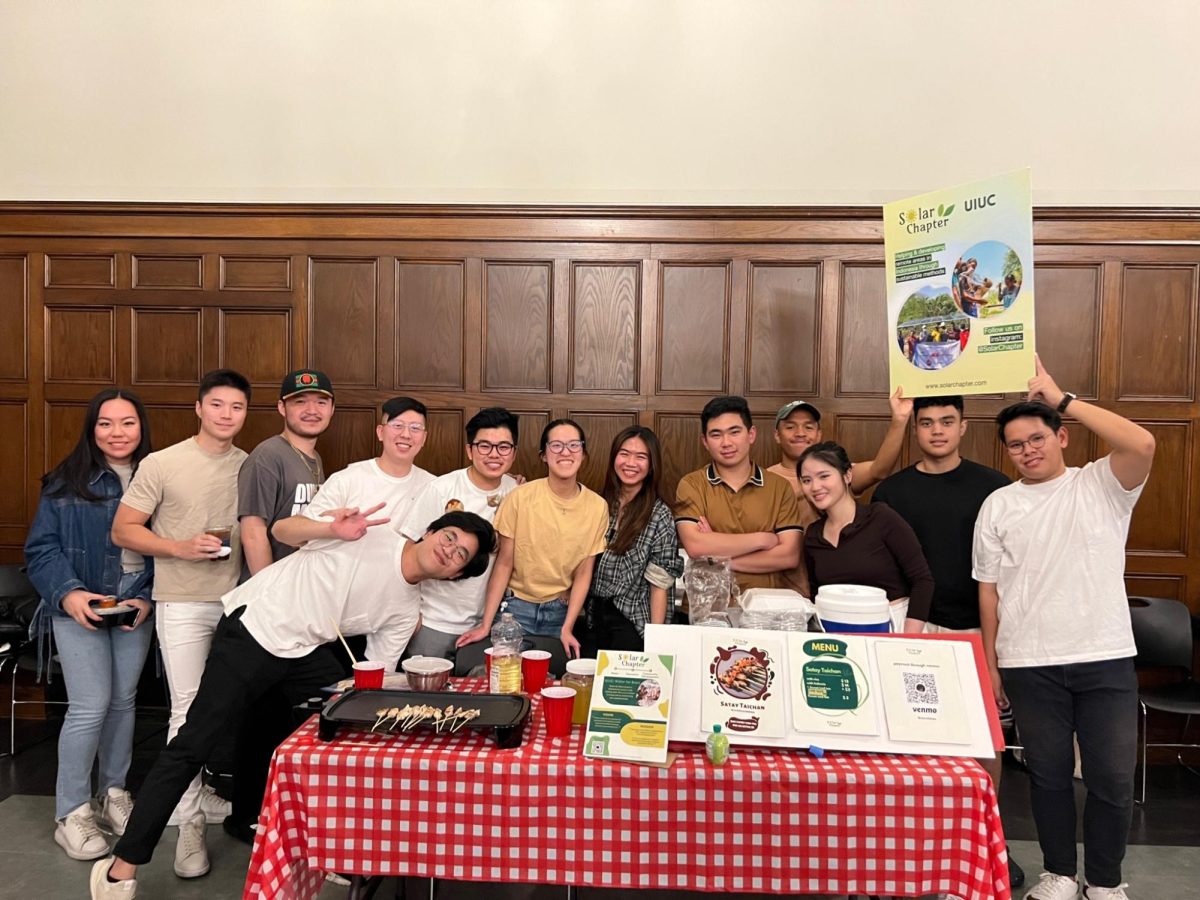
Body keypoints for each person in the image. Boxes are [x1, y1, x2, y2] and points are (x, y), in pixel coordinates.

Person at [89, 511, 496, 900]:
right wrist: (330, 528)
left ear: (454, 575)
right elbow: (283, 531)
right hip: (256, 627)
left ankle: (337, 851)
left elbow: (368, 679)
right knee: (194, 743)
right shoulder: (368, 534)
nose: (449, 550)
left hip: (304, 652)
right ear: (430, 532)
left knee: (349, 730)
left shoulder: (406, 612)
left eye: (460, 555)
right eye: (449, 537)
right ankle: (122, 866)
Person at [974, 357, 1155, 900]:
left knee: (1112, 781)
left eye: (1037, 438)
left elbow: (1142, 444)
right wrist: (992, 663)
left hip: (1104, 655)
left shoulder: (1102, 484)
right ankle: (1058, 873)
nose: (1027, 450)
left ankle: (1103, 881)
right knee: (1048, 777)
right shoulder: (998, 505)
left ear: (1062, 437)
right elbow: (990, 590)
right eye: (1015, 444)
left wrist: (1060, 396)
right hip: (1029, 661)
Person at [870, 395, 1025, 889]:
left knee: (985, 742)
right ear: (915, 428)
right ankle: (922, 847)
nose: (937, 431)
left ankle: (989, 842)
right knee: (915, 742)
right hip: (917, 627)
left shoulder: (995, 487)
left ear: (963, 427)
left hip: (982, 628)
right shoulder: (892, 491)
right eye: (927, 422)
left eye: (947, 422)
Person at [110, 369, 249, 878]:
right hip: (182, 602)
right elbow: (123, 529)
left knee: (232, 712)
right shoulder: (162, 463)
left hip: (239, 604)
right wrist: (178, 547)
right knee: (186, 713)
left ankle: (208, 797)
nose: (226, 415)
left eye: (236, 407)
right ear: (198, 407)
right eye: (217, 405)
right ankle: (187, 823)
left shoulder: (251, 465)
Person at [24, 389, 155, 861]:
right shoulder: (66, 481)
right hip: (78, 604)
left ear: (141, 428)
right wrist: (70, 592)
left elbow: (167, 545)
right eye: (106, 423)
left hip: (132, 607)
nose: (117, 433)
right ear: (91, 428)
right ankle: (72, 811)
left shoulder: (157, 475)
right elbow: (41, 549)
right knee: (89, 705)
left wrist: (145, 596)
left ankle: (113, 794)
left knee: (122, 702)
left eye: (127, 423)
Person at [456, 419, 608, 658]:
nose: (565, 452)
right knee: (506, 679)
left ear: (583, 453)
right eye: (556, 445)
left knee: (553, 685)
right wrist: (486, 624)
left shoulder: (598, 506)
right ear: (544, 455)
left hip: (560, 611)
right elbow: (504, 562)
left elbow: (584, 571)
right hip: (514, 610)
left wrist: (568, 627)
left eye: (573, 445)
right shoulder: (520, 498)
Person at [399, 407, 520, 662]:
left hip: (485, 626)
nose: (494, 454)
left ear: (514, 452)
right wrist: (407, 614)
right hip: (432, 623)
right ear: (469, 450)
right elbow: (404, 552)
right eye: (484, 446)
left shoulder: (518, 493)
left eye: (503, 447)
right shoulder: (442, 488)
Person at [766, 390, 912, 595]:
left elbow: (879, 470)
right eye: (790, 427)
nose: (800, 433)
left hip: (834, 589)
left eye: (808, 427)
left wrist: (899, 419)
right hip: (783, 593)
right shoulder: (765, 480)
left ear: (819, 434)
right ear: (777, 435)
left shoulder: (837, 475)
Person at [273, 395, 435, 563]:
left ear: (423, 438)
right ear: (380, 432)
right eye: (397, 425)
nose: (406, 434)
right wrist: (331, 529)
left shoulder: (435, 487)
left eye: (415, 428)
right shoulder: (348, 478)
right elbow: (283, 532)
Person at [798, 441, 931, 632]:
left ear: (847, 475)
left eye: (824, 476)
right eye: (806, 480)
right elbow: (816, 592)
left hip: (894, 626)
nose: (815, 486)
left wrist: (909, 639)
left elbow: (923, 581)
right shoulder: (813, 534)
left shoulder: (880, 517)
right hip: (836, 631)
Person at [675, 396, 803, 593]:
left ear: (751, 434)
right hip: (706, 607)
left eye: (734, 432)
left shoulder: (780, 487)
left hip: (765, 606)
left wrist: (715, 556)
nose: (726, 442)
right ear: (705, 441)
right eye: (716, 435)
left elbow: (788, 556)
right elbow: (695, 546)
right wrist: (763, 540)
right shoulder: (691, 484)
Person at [581, 426, 682, 655]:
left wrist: (655, 643)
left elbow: (660, 583)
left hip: (634, 620)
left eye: (641, 457)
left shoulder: (659, 514)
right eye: (624, 454)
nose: (630, 463)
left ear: (651, 464)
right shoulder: (601, 504)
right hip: (594, 616)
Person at [237, 368, 335, 582]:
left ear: (332, 409)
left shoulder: (314, 458)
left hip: (300, 587)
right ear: (282, 407)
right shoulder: (267, 456)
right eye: (300, 402)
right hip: (271, 593)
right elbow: (253, 532)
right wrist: (268, 591)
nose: (312, 410)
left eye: (321, 402)